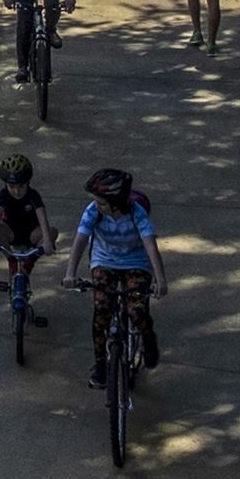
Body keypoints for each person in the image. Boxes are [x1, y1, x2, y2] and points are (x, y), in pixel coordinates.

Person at [62, 167, 167, 389]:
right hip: (105, 261)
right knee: (102, 310)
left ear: (117, 202)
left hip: (135, 262)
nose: (96, 205)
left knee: (136, 309)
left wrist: (160, 279)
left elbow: (150, 245)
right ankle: (101, 365)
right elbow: (80, 240)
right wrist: (70, 273)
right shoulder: (94, 211)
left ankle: (147, 336)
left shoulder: (137, 213)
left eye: (101, 202)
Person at [0, 153, 58, 272]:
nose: (16, 191)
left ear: (27, 183)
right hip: (11, 233)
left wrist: (47, 241)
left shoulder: (32, 195)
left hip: (31, 234)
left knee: (52, 231)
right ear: (5, 184)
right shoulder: (4, 194)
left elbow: (42, 217)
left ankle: (30, 261)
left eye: (21, 186)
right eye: (11, 186)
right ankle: (11, 259)